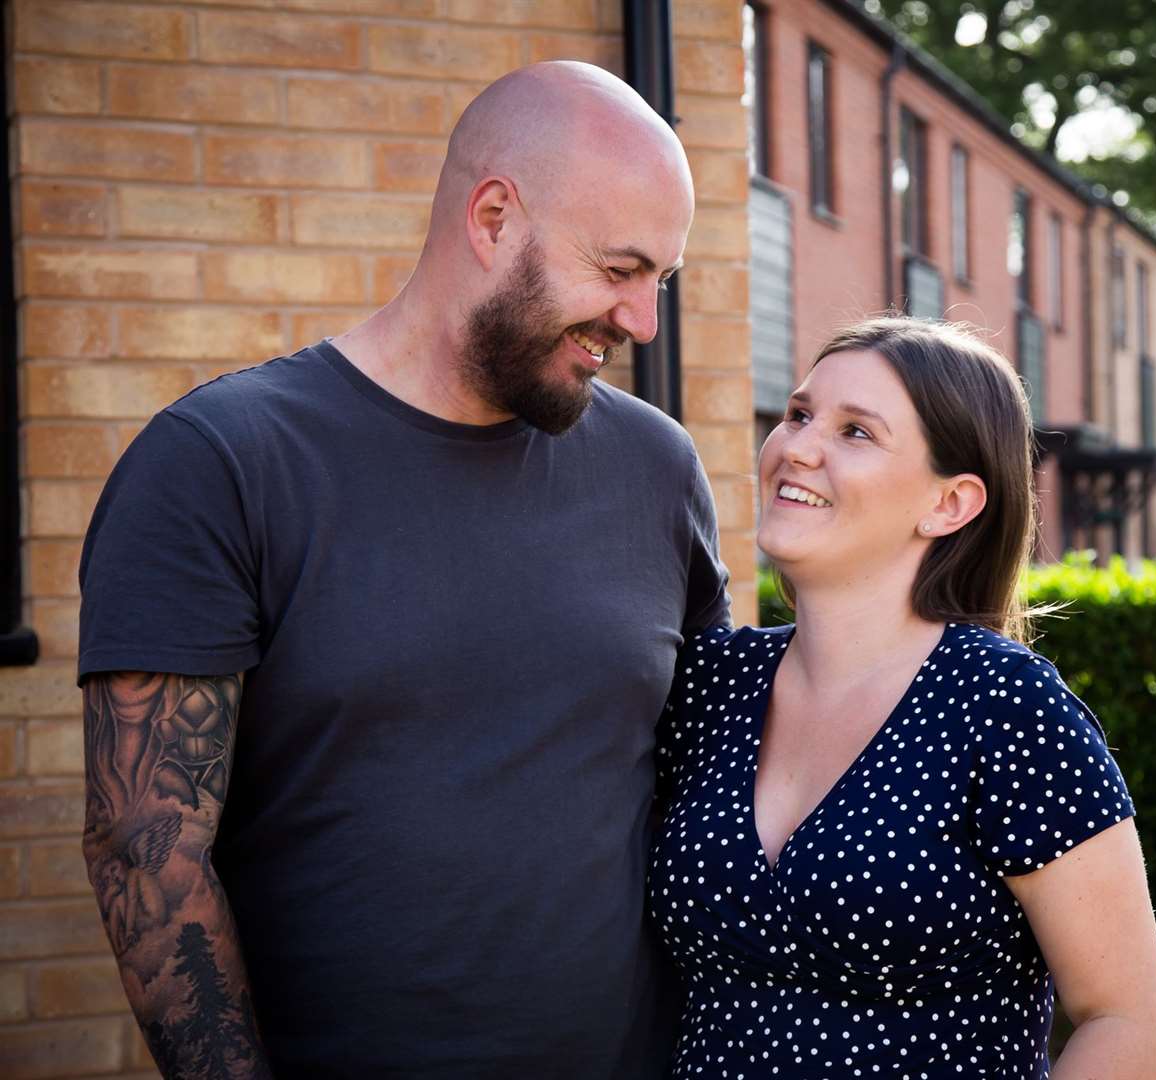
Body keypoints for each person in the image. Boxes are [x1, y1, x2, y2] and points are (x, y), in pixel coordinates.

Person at [77, 62, 728, 1078]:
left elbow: (710, 787)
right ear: (495, 217)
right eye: (618, 268)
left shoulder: (659, 470)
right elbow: (145, 847)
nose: (641, 320)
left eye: (663, 282)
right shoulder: (221, 462)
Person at [649, 316, 1156, 1078]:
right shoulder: (710, 684)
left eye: (856, 432)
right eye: (799, 414)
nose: (796, 445)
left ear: (950, 504)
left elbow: (1126, 1022)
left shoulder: (1003, 705)